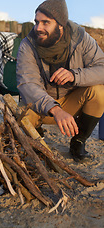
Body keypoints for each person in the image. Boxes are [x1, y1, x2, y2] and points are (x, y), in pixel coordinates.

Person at [16, 0, 104, 162]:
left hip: (71, 103)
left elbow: (102, 69)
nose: (38, 28)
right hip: (42, 106)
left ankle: (78, 141)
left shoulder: (82, 39)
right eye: (37, 22)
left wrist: (75, 75)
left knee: (99, 91)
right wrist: (54, 109)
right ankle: (36, 135)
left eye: (45, 23)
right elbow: (27, 84)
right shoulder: (28, 44)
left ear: (61, 25)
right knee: (21, 114)